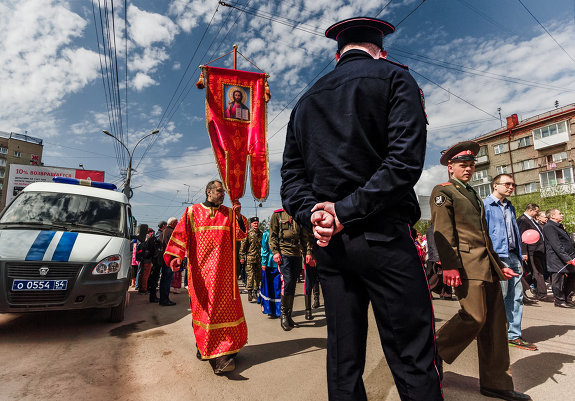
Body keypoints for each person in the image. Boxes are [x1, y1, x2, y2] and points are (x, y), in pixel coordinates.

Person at [280, 17, 442, 401]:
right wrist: (344, 211)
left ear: (339, 54)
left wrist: (315, 214)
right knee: (412, 356)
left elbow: (291, 178)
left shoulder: (305, 101)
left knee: (342, 359)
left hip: (330, 247)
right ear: (380, 50)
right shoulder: (395, 78)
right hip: (383, 237)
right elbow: (403, 163)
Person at [430, 141, 531, 401]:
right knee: (474, 317)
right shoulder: (444, 192)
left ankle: (496, 383)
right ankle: (432, 353)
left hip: (488, 267)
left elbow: (485, 237)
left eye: (472, 164)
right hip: (465, 265)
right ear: (450, 167)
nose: (469, 168)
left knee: (496, 326)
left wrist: (501, 267)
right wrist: (449, 266)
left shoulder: (473, 193)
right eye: (463, 164)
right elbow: (443, 232)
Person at [163, 180, 248, 374]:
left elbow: (241, 235)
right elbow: (180, 235)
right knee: (205, 313)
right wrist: (176, 255)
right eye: (219, 191)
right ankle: (205, 348)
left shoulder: (228, 213)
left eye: (223, 192)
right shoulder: (192, 212)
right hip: (201, 274)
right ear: (208, 192)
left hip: (225, 275)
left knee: (224, 312)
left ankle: (222, 353)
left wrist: (238, 214)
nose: (222, 194)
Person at [483, 174, 537, 351]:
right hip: (498, 257)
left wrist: (520, 253)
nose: (511, 187)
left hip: (514, 256)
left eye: (513, 184)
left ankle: (513, 335)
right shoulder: (485, 206)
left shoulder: (510, 206)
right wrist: (491, 259)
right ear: (495, 185)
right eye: (507, 184)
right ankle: (493, 334)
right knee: (500, 297)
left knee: (516, 297)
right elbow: (483, 235)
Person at [268, 209, 307, 331]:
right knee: (287, 282)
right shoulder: (278, 214)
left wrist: (307, 253)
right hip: (284, 252)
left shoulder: (298, 214)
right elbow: (272, 235)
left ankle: (289, 316)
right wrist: (275, 252)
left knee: (293, 284)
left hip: (297, 253)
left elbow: (304, 236)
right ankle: (283, 316)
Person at [542, 208, 575, 308]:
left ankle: (568, 298)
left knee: (572, 277)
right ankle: (559, 301)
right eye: (559, 214)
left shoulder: (558, 226)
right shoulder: (549, 226)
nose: (562, 215)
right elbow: (556, 245)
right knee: (558, 281)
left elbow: (567, 242)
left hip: (569, 257)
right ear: (552, 216)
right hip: (557, 258)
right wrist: (566, 258)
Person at [517, 204, 547, 301]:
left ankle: (526, 288)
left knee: (535, 272)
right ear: (530, 210)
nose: (537, 213)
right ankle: (541, 294)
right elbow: (523, 237)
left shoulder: (531, 220)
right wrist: (523, 252)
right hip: (531, 251)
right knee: (537, 272)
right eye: (536, 211)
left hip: (537, 251)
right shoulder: (523, 220)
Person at [258, 229, 281, 318]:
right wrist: (263, 262)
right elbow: (264, 249)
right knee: (268, 287)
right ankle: (268, 309)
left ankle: (277, 310)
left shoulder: (281, 232)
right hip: (269, 264)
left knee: (277, 287)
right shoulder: (266, 234)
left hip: (279, 264)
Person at [426, 222, 452, 300]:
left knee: (444, 274)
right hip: (436, 257)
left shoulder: (438, 227)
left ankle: (446, 293)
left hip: (443, 256)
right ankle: (428, 290)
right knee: (438, 275)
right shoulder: (432, 229)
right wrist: (437, 257)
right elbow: (432, 243)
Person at [239, 216, 263, 302]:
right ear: (251, 224)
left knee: (257, 276)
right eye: (254, 223)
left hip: (258, 259)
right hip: (250, 258)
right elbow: (243, 246)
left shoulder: (261, 234)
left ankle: (255, 292)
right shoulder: (248, 234)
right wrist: (242, 257)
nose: (256, 224)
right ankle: (249, 292)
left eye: (257, 223)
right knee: (250, 276)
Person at [159, 218, 177, 306]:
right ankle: (165, 300)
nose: (177, 224)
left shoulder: (163, 231)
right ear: (173, 223)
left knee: (163, 279)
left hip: (163, 258)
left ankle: (163, 299)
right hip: (170, 259)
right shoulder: (172, 232)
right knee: (167, 280)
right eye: (176, 223)